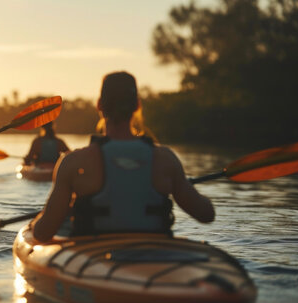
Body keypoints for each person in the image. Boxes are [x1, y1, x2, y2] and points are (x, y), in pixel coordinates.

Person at [32, 71, 214, 240]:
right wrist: (182, 184)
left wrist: (40, 220)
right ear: (137, 105)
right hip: (157, 256)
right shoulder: (166, 159)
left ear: (99, 105)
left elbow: (43, 233)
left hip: (94, 260)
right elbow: (207, 214)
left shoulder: (73, 162)